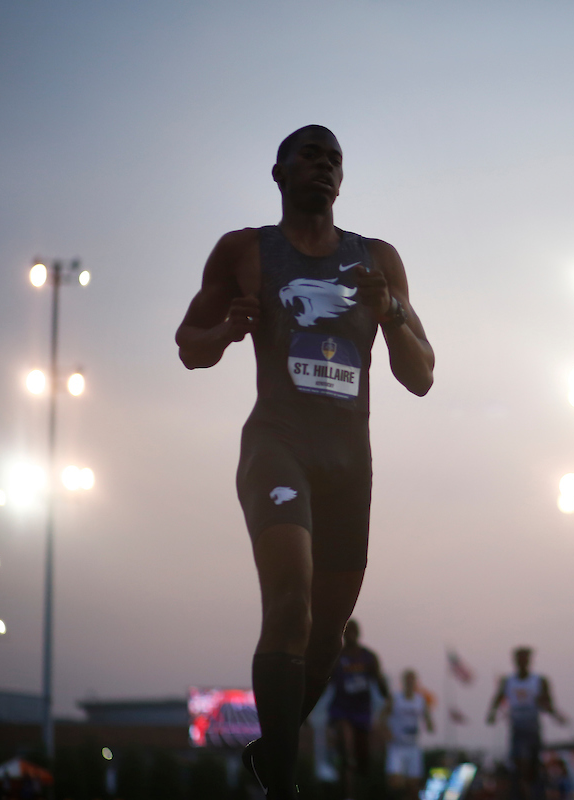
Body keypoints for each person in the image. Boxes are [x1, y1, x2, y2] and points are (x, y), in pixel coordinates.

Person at [175, 125, 435, 799]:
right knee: (288, 606)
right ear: (279, 171)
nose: (325, 165)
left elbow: (422, 375)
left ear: (342, 181)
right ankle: (283, 790)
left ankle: (272, 752)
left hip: (351, 463)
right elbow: (188, 346)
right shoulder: (244, 251)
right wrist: (227, 330)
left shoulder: (375, 260)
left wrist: (396, 311)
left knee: (325, 644)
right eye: (310, 154)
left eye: (335, 159)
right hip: (278, 445)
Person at [486, 647, 568, 800]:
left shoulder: (539, 681)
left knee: (532, 768)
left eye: (525, 658)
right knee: (520, 764)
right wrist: (491, 714)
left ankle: (536, 790)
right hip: (517, 729)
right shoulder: (508, 681)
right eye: (519, 658)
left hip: (533, 728)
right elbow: (497, 698)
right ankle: (523, 792)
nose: (522, 662)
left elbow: (548, 703)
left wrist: (556, 715)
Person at [327, 620, 390, 800]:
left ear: (359, 634)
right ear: (343, 634)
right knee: (347, 751)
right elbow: (325, 683)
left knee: (362, 759)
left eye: (354, 631)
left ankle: (360, 786)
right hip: (341, 710)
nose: (351, 635)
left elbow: (379, 682)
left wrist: (386, 693)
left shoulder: (368, 657)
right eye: (347, 631)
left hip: (361, 711)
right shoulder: (337, 657)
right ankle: (346, 793)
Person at [379, 669, 435, 800]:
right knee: (395, 783)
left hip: (413, 746)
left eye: (412, 679)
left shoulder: (420, 700)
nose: (410, 682)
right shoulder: (395, 698)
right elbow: (381, 717)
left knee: (413, 785)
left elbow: (427, 718)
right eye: (407, 679)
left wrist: (430, 725)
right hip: (397, 746)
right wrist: (386, 733)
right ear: (403, 681)